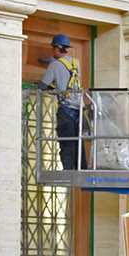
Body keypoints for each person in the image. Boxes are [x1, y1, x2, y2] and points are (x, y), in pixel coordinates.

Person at [39, 34, 83, 169]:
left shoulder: (54, 65)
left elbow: (43, 85)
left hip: (66, 109)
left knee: (66, 141)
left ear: (57, 48)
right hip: (78, 108)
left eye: (53, 48)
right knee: (77, 142)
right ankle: (80, 167)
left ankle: (68, 169)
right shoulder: (76, 63)